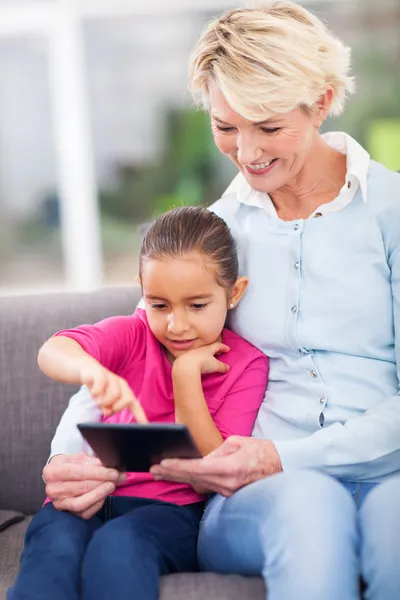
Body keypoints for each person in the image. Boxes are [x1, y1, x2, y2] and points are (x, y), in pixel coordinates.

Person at [36, 1, 400, 599]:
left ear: (324, 100)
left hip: (383, 471)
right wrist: (67, 456)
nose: (248, 151)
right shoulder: (219, 229)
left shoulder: (389, 213)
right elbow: (139, 344)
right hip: (253, 495)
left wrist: (284, 457)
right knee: (310, 507)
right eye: (226, 126)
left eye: (269, 126)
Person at [8, 206, 269, 600]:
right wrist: (90, 371)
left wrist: (185, 377)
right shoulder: (133, 334)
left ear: (234, 292)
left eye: (197, 306)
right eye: (159, 305)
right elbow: (54, 350)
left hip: (172, 513)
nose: (175, 325)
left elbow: (215, 464)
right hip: (91, 496)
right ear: (142, 291)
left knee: (120, 545)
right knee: (53, 547)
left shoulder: (246, 364)